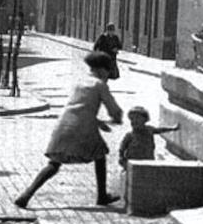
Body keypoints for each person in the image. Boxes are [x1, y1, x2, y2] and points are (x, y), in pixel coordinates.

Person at [14, 51, 123, 209]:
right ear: (101, 69)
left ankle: (26, 195)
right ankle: (102, 196)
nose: (108, 74)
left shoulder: (80, 82)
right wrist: (116, 118)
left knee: (54, 163)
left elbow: (80, 108)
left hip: (64, 125)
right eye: (107, 70)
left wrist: (98, 123)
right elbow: (114, 109)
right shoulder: (100, 85)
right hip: (83, 130)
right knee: (100, 155)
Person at [118, 105, 179, 170]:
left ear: (145, 120)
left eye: (137, 118)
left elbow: (160, 130)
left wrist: (172, 128)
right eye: (132, 119)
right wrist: (122, 159)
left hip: (148, 160)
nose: (134, 121)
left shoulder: (149, 130)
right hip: (134, 162)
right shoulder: (130, 135)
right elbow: (122, 148)